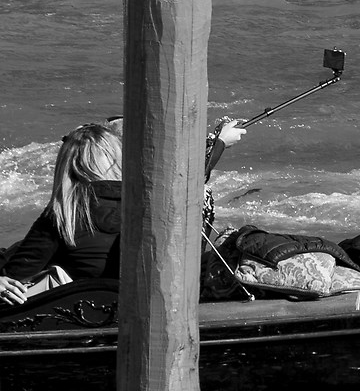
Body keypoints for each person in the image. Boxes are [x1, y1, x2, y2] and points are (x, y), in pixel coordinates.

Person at [0, 113, 247, 304]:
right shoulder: (152, 200)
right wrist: (219, 143)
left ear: (68, 166)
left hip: (88, 311)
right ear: (118, 159)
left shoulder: (64, 212)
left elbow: (16, 274)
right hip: (159, 300)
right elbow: (190, 180)